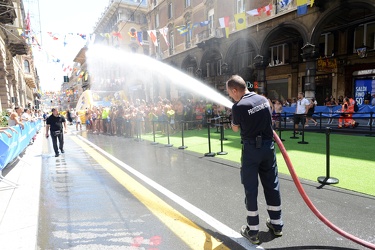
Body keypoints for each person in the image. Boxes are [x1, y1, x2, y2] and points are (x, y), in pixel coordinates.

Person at [226, 75, 283, 245]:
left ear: (235, 90)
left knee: (251, 188)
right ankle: (277, 224)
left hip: (251, 150)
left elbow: (235, 129)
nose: (230, 96)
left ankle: (253, 231)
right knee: (272, 185)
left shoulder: (238, 106)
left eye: (230, 93)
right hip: (268, 148)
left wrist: (233, 118)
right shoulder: (264, 100)